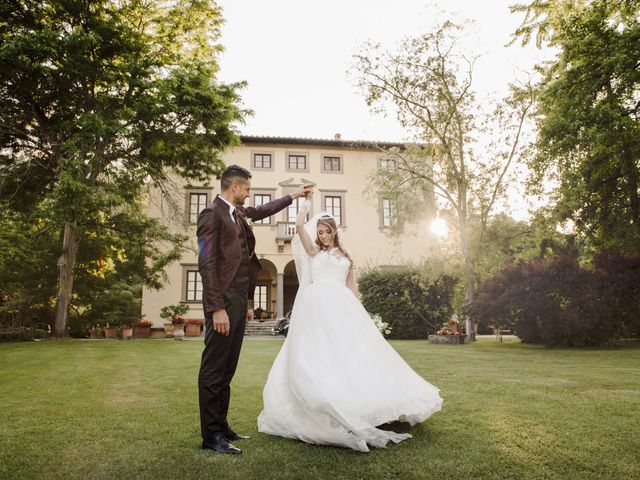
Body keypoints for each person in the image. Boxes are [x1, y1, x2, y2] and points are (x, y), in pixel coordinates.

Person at [257, 191, 443, 452]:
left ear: (334, 231)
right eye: (320, 231)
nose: (322, 236)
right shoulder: (312, 252)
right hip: (319, 306)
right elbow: (299, 226)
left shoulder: (346, 255)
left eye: (326, 231)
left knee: (354, 354)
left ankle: (364, 402)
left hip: (344, 308)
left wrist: (363, 315)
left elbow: (352, 288)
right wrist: (306, 202)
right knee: (322, 354)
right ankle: (326, 401)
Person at [197, 164, 312, 455]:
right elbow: (206, 264)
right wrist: (217, 308)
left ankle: (221, 426)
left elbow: (262, 211)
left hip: (237, 300)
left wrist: (293, 195)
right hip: (222, 301)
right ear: (234, 187)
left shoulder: (238, 214)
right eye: (247, 188)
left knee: (228, 367)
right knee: (213, 368)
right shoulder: (212, 215)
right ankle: (211, 435)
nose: (249, 194)